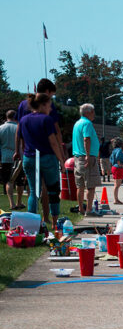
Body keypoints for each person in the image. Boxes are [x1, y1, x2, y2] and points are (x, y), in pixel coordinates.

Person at [16, 93, 67, 228]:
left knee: (34, 191)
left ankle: (31, 224)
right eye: (49, 105)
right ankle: (55, 223)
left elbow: (20, 137)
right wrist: (61, 160)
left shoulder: (23, 120)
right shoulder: (46, 119)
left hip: (30, 158)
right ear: (43, 105)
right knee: (53, 190)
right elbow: (53, 142)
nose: (50, 109)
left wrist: (19, 151)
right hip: (46, 158)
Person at [71, 103, 102, 215]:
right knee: (90, 185)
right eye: (93, 111)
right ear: (88, 112)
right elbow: (86, 139)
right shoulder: (87, 123)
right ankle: (89, 210)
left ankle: (81, 209)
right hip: (86, 158)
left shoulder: (77, 123)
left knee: (80, 186)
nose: (94, 114)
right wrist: (88, 156)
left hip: (77, 158)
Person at [0, 110, 17, 209]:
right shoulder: (18, 128)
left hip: (5, 157)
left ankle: (12, 203)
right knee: (19, 182)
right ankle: (19, 201)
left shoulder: (1, 128)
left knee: (8, 181)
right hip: (18, 157)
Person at [110, 138, 123, 203]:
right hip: (118, 167)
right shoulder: (119, 150)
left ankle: (116, 199)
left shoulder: (113, 150)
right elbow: (117, 157)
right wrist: (119, 164)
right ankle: (116, 199)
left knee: (116, 184)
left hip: (114, 167)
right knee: (117, 185)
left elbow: (111, 159)